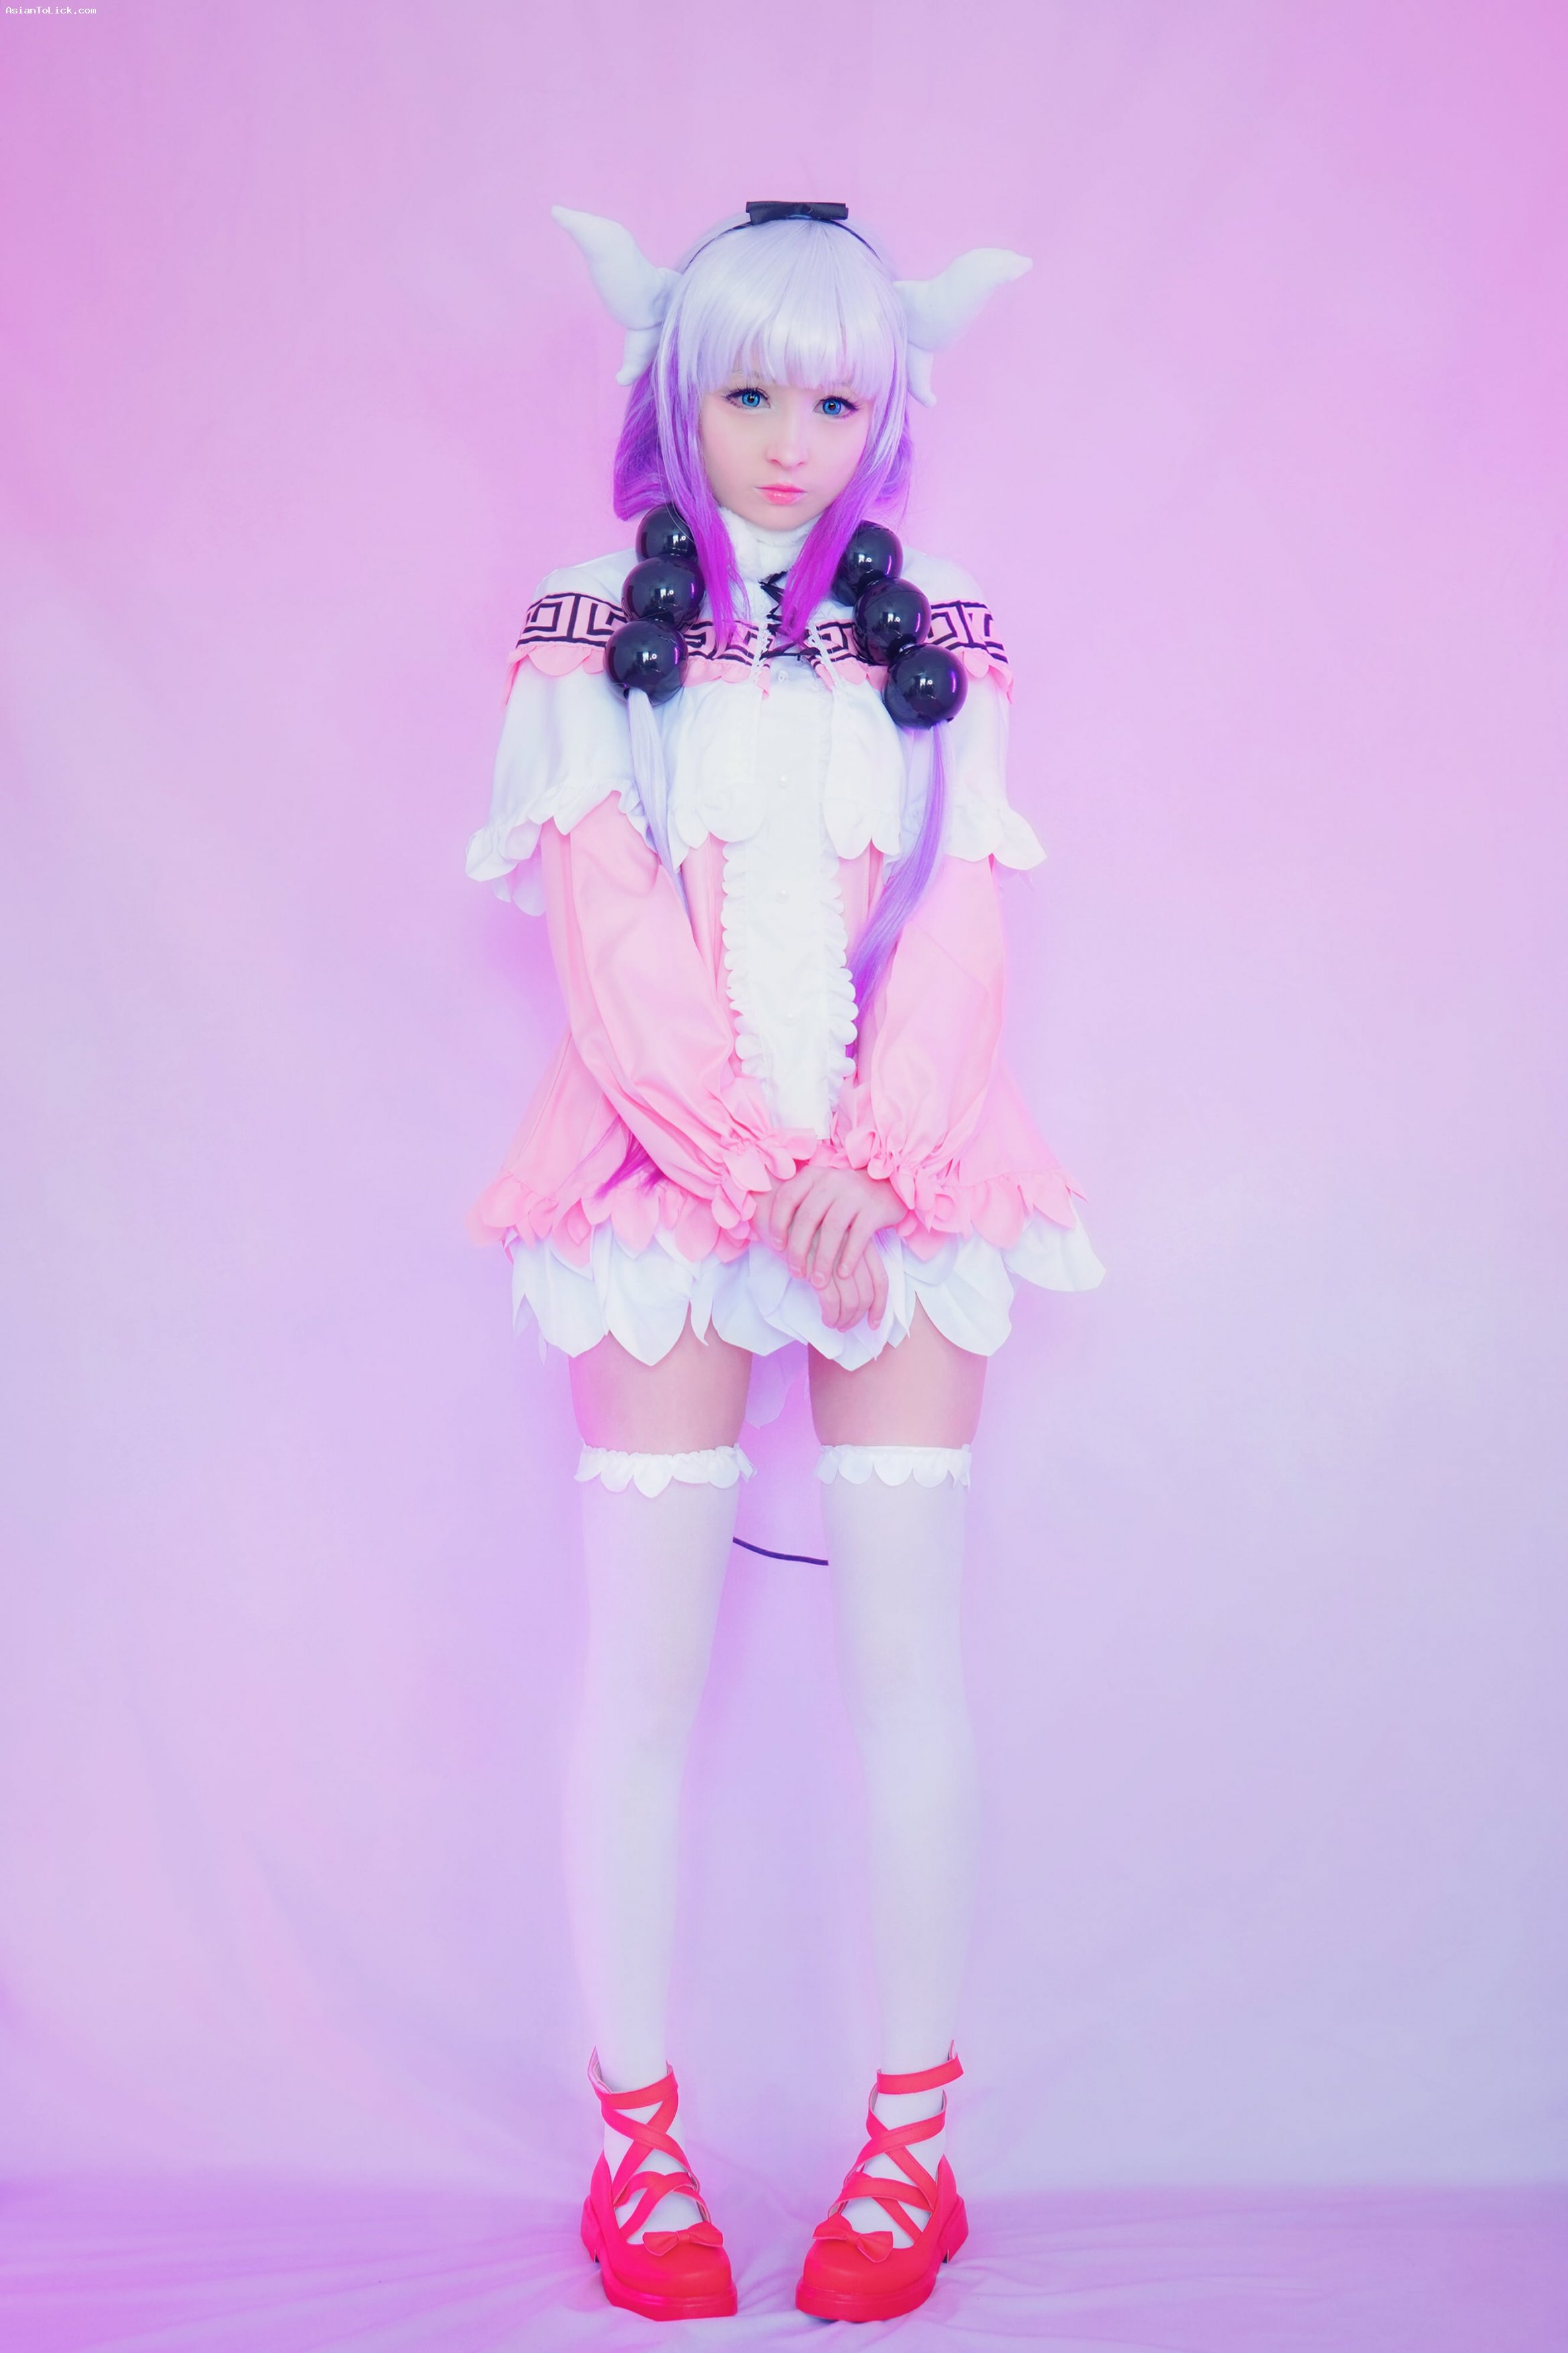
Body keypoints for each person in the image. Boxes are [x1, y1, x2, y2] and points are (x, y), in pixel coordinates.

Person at [466, 200, 1103, 2325]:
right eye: (749, 389)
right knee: (639, 1676)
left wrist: (880, 1166)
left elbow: (964, 921)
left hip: (898, 1191)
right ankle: (632, 2145)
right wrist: (757, 1169)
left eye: (837, 398)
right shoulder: (586, 628)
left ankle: (911, 2145)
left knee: (909, 1665)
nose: (790, 437)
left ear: (886, 406)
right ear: (677, 384)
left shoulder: (944, 637)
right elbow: (603, 926)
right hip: (663, 1182)